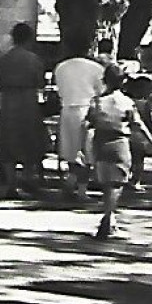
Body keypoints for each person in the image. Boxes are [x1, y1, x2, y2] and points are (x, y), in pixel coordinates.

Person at [86, 63, 152, 239]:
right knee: (116, 184)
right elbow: (138, 125)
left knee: (106, 183)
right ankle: (108, 217)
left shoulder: (97, 102)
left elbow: (88, 123)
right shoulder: (126, 102)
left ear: (105, 80)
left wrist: (84, 146)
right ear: (123, 82)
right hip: (120, 143)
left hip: (100, 142)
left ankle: (109, 219)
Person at [0, 21, 49, 197]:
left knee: (7, 144)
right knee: (31, 141)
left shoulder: (4, 60)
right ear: (30, 39)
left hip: (9, 105)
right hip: (28, 104)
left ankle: (11, 184)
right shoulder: (34, 60)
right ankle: (28, 177)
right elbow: (40, 82)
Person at [52, 40, 107, 198]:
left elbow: (58, 89)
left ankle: (71, 179)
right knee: (86, 151)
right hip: (86, 109)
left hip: (67, 109)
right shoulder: (96, 68)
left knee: (70, 149)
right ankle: (81, 190)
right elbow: (101, 91)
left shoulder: (61, 67)